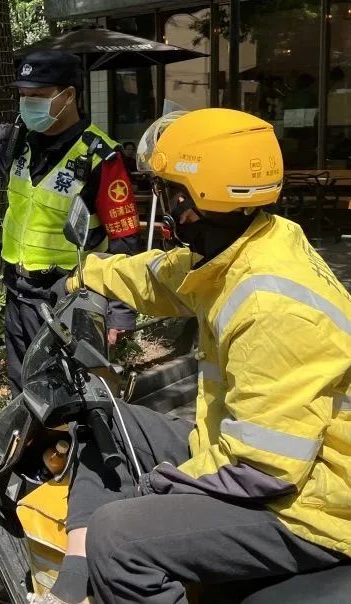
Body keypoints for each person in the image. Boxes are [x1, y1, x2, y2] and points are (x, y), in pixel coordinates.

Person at [42, 108, 350, 604]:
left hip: (310, 506)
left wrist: (159, 487)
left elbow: (263, 469)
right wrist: (82, 277)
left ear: (191, 200)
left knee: (119, 537)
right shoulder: (242, 246)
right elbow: (159, 276)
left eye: (164, 189)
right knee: (104, 419)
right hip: (249, 456)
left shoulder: (269, 306)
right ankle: (72, 590)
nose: (158, 201)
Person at [0, 50, 141, 395]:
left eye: (37, 96)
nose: (28, 104)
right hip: (19, 292)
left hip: (70, 297)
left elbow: (125, 239)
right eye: (23, 95)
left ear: (68, 95)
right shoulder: (17, 143)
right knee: (22, 384)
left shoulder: (101, 157)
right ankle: (27, 447)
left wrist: (120, 313)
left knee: (70, 391)